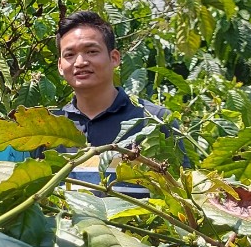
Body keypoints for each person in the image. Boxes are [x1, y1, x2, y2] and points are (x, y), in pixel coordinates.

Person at [55, 10, 175, 194]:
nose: (80, 62)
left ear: (114, 58)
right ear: (60, 66)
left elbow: (179, 195)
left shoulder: (155, 120)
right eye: (69, 55)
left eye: (91, 51)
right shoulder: (50, 126)